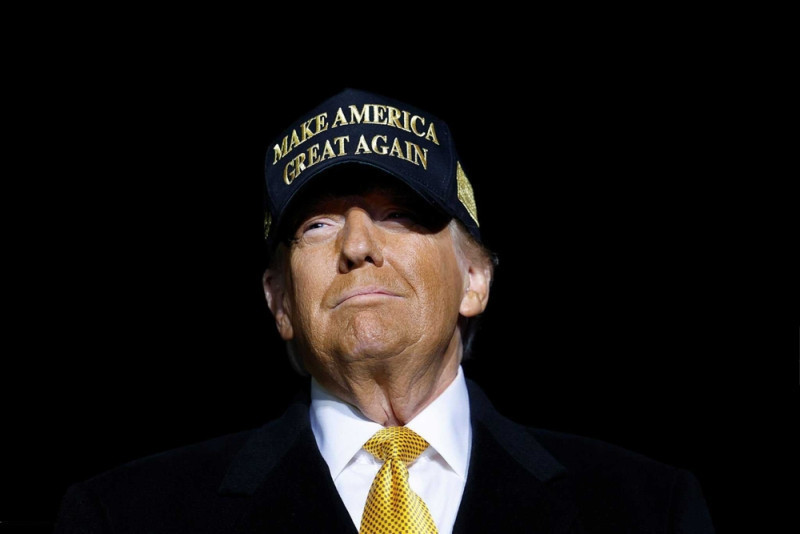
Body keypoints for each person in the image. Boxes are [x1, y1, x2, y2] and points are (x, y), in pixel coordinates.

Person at [53, 88, 716, 533]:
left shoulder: (646, 511)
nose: (358, 245)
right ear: (279, 301)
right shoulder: (125, 517)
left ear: (474, 279)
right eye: (316, 226)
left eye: (400, 215)